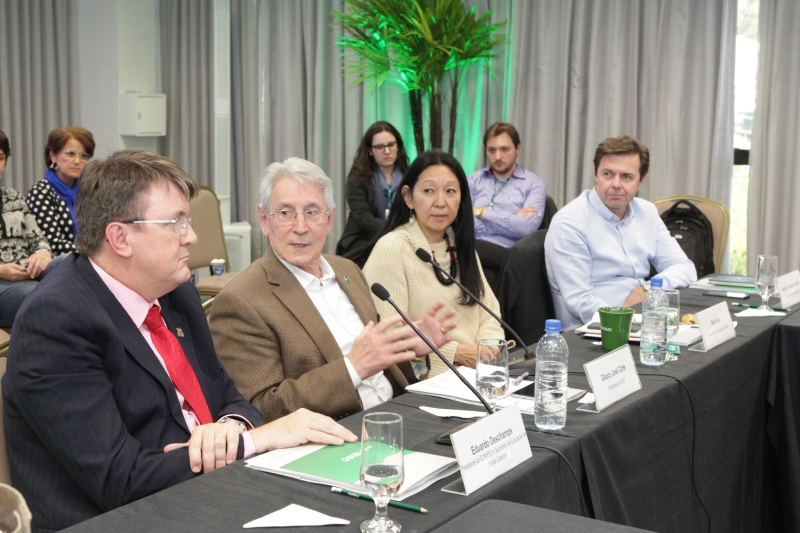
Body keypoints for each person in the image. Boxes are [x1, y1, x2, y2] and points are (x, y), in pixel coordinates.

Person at [2, 150, 357, 532]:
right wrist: (252, 441)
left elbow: (229, 397)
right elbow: (120, 480)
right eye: (177, 222)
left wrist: (229, 428)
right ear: (120, 238)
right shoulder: (57, 319)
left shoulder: (175, 291)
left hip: (206, 491)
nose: (193, 237)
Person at [210, 157, 455, 423]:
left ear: (329, 220)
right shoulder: (241, 301)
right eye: (285, 213)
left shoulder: (347, 270)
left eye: (312, 212)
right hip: (336, 436)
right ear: (264, 220)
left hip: (398, 415)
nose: (300, 227)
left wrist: (412, 349)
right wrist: (354, 367)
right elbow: (261, 409)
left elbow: (386, 366)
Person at [362, 150, 504, 378]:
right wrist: (457, 353)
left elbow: (490, 314)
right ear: (409, 197)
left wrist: (487, 350)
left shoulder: (460, 246)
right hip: (428, 384)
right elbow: (389, 337)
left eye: (450, 191)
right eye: (428, 191)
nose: (440, 202)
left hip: (480, 377)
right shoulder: (392, 249)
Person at [544, 135, 697, 330]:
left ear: (641, 181)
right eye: (608, 174)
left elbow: (685, 268)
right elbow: (581, 303)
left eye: (626, 177)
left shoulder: (647, 212)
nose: (616, 184)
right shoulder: (569, 223)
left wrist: (648, 290)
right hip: (595, 332)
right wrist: (625, 317)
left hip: (643, 322)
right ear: (595, 173)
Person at [468, 123, 546, 290]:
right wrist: (512, 222)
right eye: (491, 150)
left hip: (509, 255)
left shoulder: (533, 184)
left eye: (504, 149)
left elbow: (526, 229)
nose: (497, 156)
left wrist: (482, 213)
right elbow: (462, 221)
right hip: (479, 258)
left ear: (518, 149)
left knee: (468, 248)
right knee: (486, 276)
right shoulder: (473, 181)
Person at [0, 129, 62, 328]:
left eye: (0, 158)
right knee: (37, 294)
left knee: (71, 263)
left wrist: (42, 253)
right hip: (4, 283)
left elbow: (36, 236)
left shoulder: (13, 196)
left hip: (27, 270)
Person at [335, 121, 410, 256]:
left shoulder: (409, 175)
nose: (387, 151)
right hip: (363, 237)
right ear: (370, 150)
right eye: (380, 147)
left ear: (398, 146)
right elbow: (362, 216)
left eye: (391, 145)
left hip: (401, 234)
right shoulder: (357, 176)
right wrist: (391, 233)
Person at [26, 127, 95, 256]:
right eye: (70, 154)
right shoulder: (41, 192)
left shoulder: (88, 190)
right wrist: (94, 254)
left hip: (88, 259)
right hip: (60, 265)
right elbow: (53, 243)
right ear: (53, 155)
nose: (77, 161)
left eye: (84, 156)